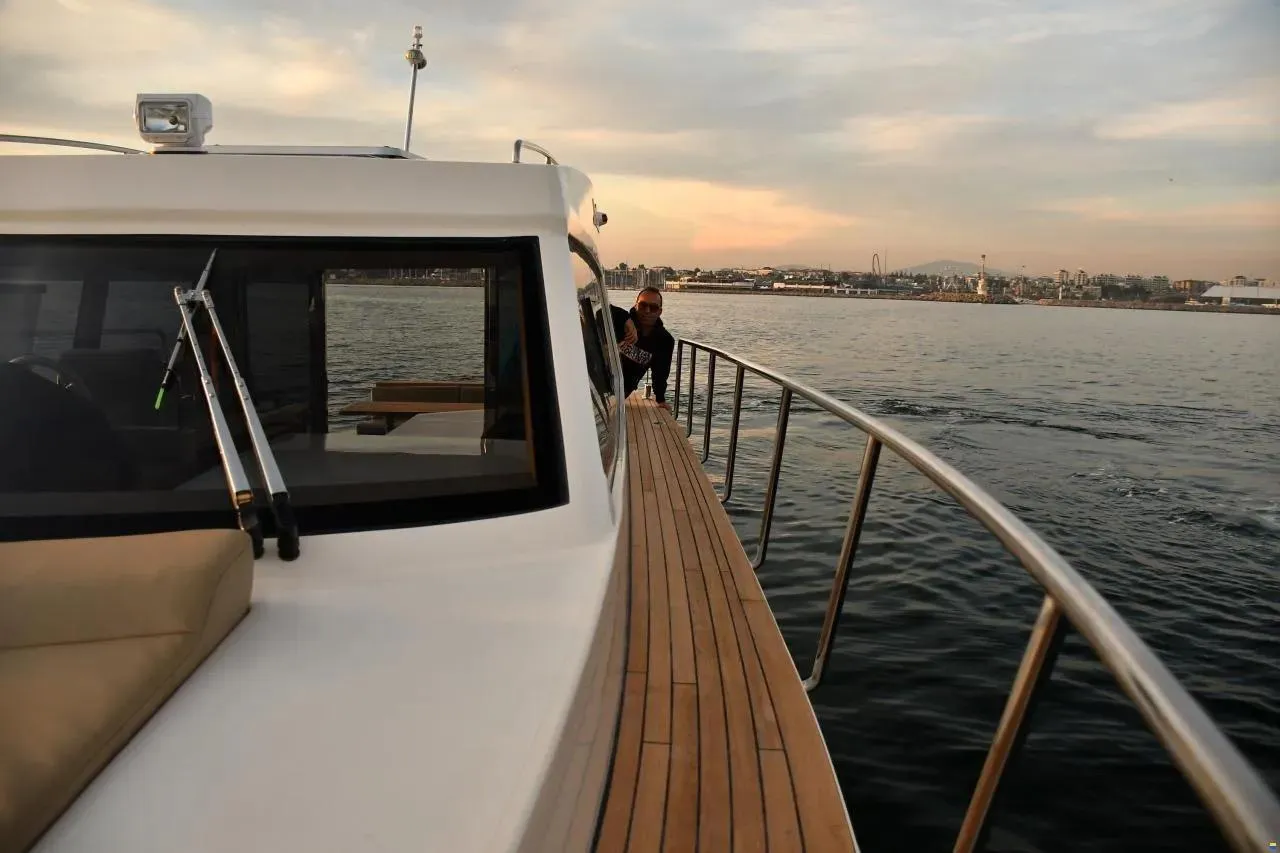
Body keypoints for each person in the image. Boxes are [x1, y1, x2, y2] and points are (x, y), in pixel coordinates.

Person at [608, 287, 675, 408]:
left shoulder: (664, 340)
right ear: (636, 306)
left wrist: (660, 399)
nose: (647, 311)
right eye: (643, 305)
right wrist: (626, 319)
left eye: (653, 307)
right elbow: (600, 309)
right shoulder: (619, 321)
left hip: (620, 391)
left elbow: (660, 373)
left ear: (659, 312)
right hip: (598, 379)